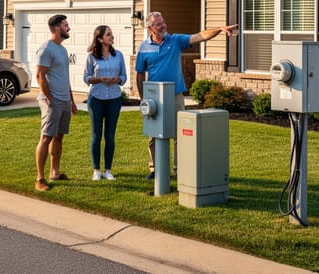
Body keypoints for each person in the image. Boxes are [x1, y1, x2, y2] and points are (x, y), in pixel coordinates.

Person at [135, 11, 236, 179]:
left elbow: (200, 36)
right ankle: (155, 169)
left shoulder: (175, 40)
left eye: (164, 22)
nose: (163, 26)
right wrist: (142, 98)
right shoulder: (143, 47)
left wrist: (219, 29)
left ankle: (178, 170)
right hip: (154, 98)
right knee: (154, 135)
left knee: (178, 135)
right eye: (159, 24)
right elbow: (139, 73)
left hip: (174, 96)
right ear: (150, 27)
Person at [34, 14, 77, 191]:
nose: (69, 28)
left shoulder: (62, 49)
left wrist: (72, 100)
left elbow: (65, 78)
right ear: (57, 28)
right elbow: (39, 76)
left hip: (65, 100)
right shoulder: (46, 49)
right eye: (66, 25)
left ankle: (55, 172)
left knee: (59, 137)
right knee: (46, 137)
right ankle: (40, 179)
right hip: (52, 101)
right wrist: (50, 100)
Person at [83, 25, 127, 181]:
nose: (112, 37)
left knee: (110, 135)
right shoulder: (91, 57)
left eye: (112, 34)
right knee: (96, 135)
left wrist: (118, 80)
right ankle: (96, 170)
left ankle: (108, 170)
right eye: (109, 35)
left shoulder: (119, 55)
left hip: (114, 99)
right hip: (96, 99)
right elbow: (86, 78)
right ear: (100, 39)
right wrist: (99, 79)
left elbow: (124, 76)